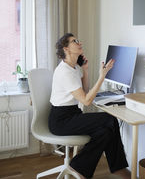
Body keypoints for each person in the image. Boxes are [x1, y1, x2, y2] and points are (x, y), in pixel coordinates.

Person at [48, 33, 131, 179]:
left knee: (104, 132)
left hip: (72, 114)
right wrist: (102, 76)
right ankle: (118, 169)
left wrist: (85, 70)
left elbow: (85, 93)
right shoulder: (65, 72)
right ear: (66, 49)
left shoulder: (73, 68)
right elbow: (86, 100)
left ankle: (79, 167)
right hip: (61, 120)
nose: (79, 43)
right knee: (109, 119)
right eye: (75, 41)